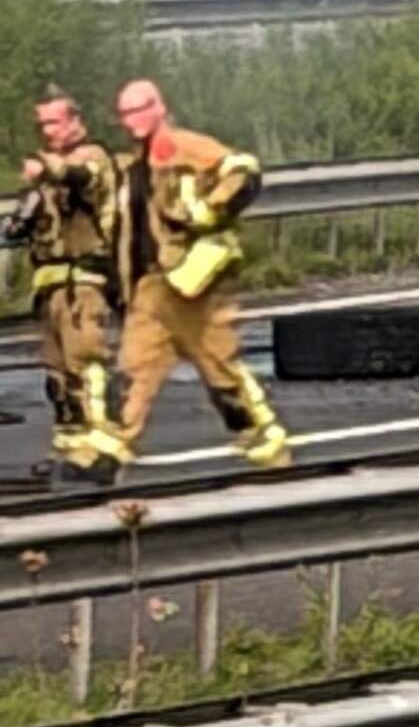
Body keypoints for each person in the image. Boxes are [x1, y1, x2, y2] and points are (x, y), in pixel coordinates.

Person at [76, 79, 284, 480]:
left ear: (159, 107)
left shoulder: (185, 146)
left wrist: (208, 212)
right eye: (125, 113)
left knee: (217, 364)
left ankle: (263, 439)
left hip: (189, 280)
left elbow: (242, 171)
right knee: (135, 367)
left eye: (139, 110)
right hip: (152, 285)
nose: (131, 121)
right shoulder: (134, 162)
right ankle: (108, 452)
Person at [15, 88, 119, 471]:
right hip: (51, 285)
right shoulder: (48, 175)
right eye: (42, 124)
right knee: (57, 378)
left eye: (55, 122)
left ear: (75, 121)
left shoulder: (92, 158)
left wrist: (47, 171)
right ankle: (68, 450)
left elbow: (81, 177)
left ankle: (99, 452)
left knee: (85, 368)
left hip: (83, 283)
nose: (48, 131)